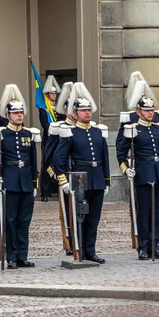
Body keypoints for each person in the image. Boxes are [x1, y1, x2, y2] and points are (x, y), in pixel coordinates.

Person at [0, 84, 41, 269]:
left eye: (21, 113)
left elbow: (33, 160)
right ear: (8, 116)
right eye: (15, 113)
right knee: (10, 221)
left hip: (25, 183)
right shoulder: (1, 135)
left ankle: (23, 255)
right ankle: (12, 256)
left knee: (24, 220)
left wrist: (34, 181)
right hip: (10, 181)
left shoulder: (28, 134)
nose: (19, 116)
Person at [53, 82, 110, 264]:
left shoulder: (97, 132)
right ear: (75, 113)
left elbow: (105, 158)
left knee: (94, 218)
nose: (87, 113)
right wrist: (63, 180)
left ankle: (90, 250)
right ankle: (79, 249)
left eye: (89, 110)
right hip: (79, 179)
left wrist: (106, 180)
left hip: (97, 179)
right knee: (80, 217)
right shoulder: (70, 132)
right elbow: (58, 159)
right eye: (83, 111)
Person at [117, 79, 159, 260]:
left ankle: (155, 244)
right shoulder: (132, 129)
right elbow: (121, 151)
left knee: (157, 212)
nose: (150, 113)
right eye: (147, 110)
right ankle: (143, 246)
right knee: (144, 211)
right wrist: (126, 169)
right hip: (142, 172)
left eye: (152, 110)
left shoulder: (158, 129)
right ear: (138, 112)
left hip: (158, 172)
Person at [44, 81, 76, 255]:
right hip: (65, 174)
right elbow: (49, 158)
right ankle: (69, 241)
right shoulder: (59, 128)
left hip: (80, 174)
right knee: (68, 212)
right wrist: (58, 176)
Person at [39, 76, 66, 201]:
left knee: (59, 163)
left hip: (59, 139)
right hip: (49, 139)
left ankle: (57, 189)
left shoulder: (59, 107)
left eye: (55, 93)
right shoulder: (44, 108)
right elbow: (44, 123)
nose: (54, 95)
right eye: (52, 93)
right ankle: (44, 192)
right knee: (46, 165)